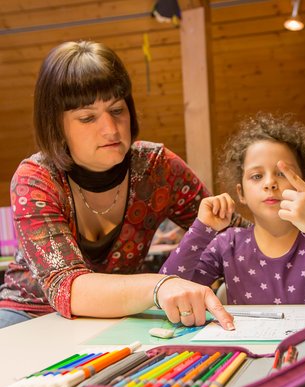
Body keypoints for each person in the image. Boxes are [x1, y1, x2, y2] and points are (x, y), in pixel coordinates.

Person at [0, 40, 238, 331]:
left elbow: (235, 235)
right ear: (55, 125)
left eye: (117, 110)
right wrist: (160, 286)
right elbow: (67, 287)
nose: (111, 129)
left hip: (121, 318)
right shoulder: (35, 179)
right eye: (87, 117)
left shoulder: (157, 168)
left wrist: (303, 220)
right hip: (31, 315)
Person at [161, 112, 305, 305]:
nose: (270, 183)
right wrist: (201, 230)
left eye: (281, 173)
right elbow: (166, 291)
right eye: (257, 176)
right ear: (241, 193)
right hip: (247, 356)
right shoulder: (227, 244)